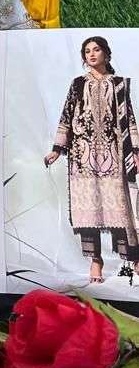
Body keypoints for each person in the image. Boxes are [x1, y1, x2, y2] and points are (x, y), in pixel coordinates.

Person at [45, 36, 139, 284]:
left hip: (114, 154)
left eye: (96, 49)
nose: (92, 54)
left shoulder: (119, 84)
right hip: (83, 157)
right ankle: (96, 260)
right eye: (87, 51)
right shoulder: (78, 84)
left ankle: (134, 259)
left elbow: (129, 119)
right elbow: (66, 116)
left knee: (122, 208)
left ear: (106, 53)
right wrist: (57, 149)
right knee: (88, 211)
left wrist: (136, 152)